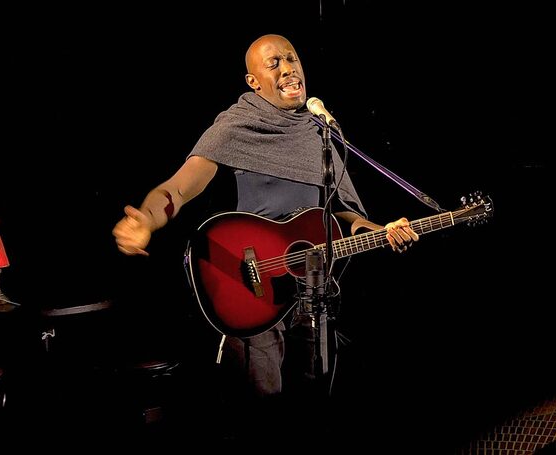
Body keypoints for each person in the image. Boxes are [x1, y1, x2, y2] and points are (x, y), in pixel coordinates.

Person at [112, 33, 418, 441]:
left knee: (313, 399)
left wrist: (381, 232)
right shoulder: (236, 126)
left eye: (291, 58)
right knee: (261, 405)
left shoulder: (319, 131)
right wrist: (148, 219)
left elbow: (343, 210)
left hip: (312, 287)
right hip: (254, 286)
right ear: (253, 82)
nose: (288, 68)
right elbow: (179, 188)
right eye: (273, 64)